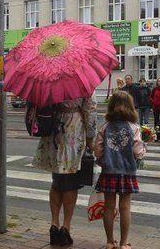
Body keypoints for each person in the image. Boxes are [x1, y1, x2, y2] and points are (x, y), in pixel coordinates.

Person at [33, 96, 97, 247]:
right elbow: (90, 111)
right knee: (71, 183)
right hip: (73, 129)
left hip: (54, 129)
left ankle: (54, 223)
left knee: (56, 181)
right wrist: (90, 138)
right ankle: (65, 227)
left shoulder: (52, 78)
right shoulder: (82, 81)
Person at [94, 91, 146, 249]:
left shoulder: (105, 127)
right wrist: (144, 150)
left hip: (109, 170)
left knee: (109, 206)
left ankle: (110, 241)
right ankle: (124, 243)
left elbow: (97, 149)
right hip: (127, 171)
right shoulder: (134, 127)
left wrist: (103, 158)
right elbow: (138, 151)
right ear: (130, 107)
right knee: (125, 207)